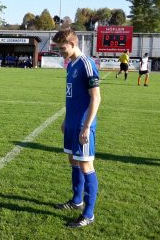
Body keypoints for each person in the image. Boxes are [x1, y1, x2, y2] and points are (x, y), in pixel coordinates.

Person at [52, 29, 101, 228]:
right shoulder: (70, 65)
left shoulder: (87, 64)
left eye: (63, 48)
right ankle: (76, 201)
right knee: (73, 160)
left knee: (86, 165)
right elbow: (72, 97)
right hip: (71, 124)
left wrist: (86, 126)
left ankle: (88, 214)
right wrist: (66, 119)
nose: (61, 52)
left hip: (83, 126)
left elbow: (96, 98)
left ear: (73, 43)